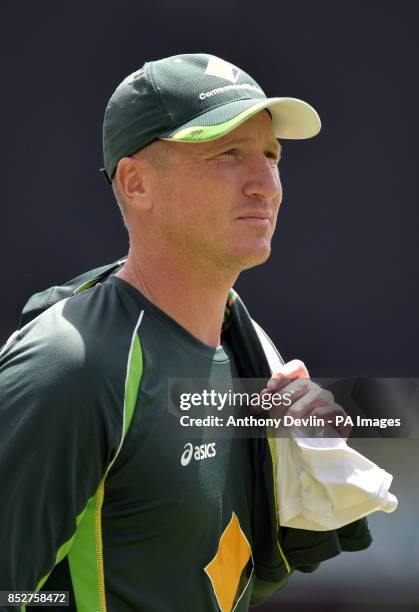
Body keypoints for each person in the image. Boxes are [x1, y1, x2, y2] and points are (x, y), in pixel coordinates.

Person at [0, 53, 372, 612]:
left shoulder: (248, 348)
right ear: (137, 183)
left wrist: (303, 477)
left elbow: (221, 577)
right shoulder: (70, 367)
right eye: (227, 154)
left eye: (271, 156)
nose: (265, 185)